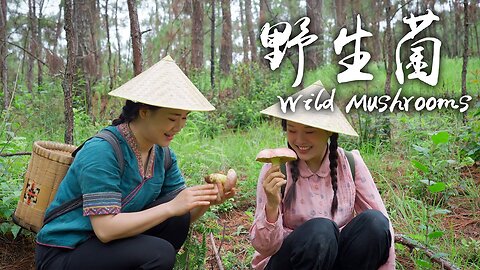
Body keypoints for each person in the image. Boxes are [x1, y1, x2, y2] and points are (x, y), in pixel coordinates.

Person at [35, 56, 235, 270]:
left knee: (177, 218)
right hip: (66, 252)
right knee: (159, 252)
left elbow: (180, 214)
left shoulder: (163, 155)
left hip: (105, 246)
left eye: (185, 118)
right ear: (144, 112)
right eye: (172, 118)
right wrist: (171, 207)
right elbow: (105, 229)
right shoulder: (102, 151)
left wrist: (205, 202)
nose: (179, 127)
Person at [249, 81, 396, 270]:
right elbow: (264, 247)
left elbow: (384, 229)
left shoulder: (350, 164)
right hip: (288, 262)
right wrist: (271, 204)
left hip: (333, 261)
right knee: (321, 231)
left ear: (329, 132)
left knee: (374, 223)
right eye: (292, 130)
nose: (299, 140)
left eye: (309, 131)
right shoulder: (277, 168)